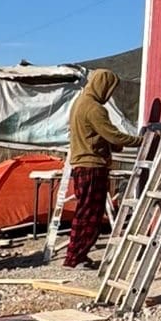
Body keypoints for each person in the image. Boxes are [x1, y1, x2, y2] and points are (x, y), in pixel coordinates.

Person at [64, 69, 142, 268]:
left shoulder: (79, 103)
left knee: (84, 212)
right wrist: (142, 141)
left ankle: (76, 256)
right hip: (92, 167)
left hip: (82, 165)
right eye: (110, 88)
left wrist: (113, 145)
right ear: (103, 86)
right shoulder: (94, 108)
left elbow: (95, 135)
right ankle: (76, 257)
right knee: (90, 215)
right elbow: (113, 135)